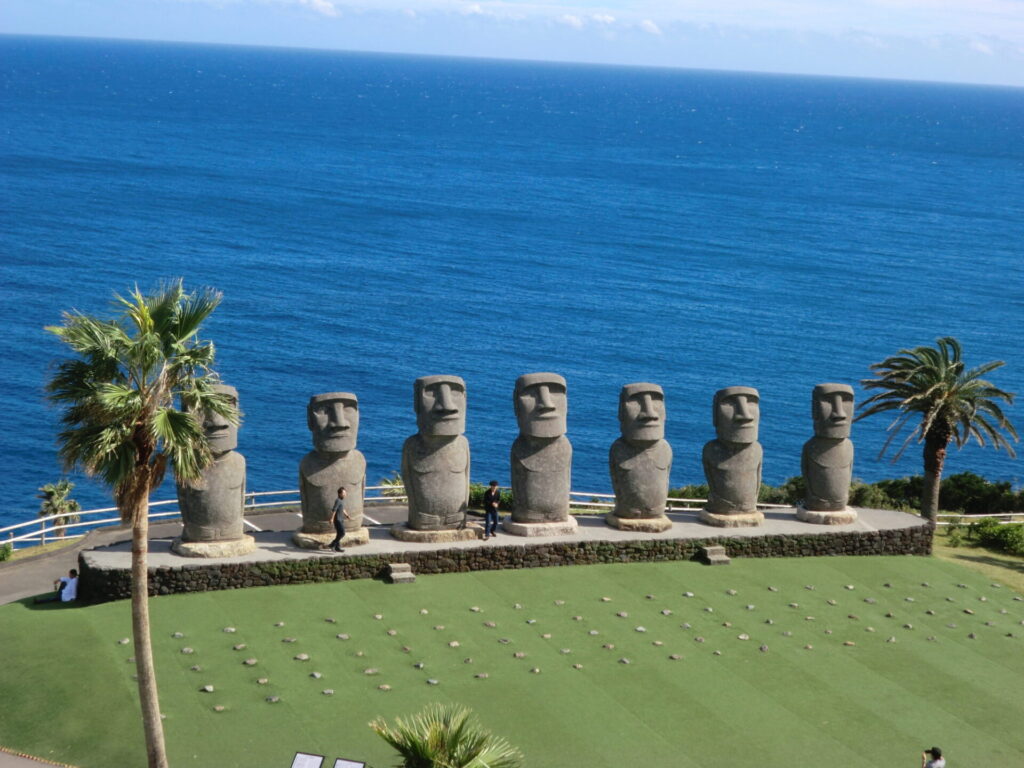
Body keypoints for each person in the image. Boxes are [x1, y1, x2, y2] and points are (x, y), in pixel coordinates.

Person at [327, 487, 351, 552]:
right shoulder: (338, 500)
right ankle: (333, 544)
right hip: (337, 520)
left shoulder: (341, 500)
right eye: (343, 493)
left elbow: (342, 509)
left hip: (341, 519)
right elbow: (334, 510)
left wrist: (347, 515)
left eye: (345, 493)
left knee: (339, 533)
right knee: (342, 533)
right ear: (339, 494)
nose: (345, 494)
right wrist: (331, 519)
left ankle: (337, 547)